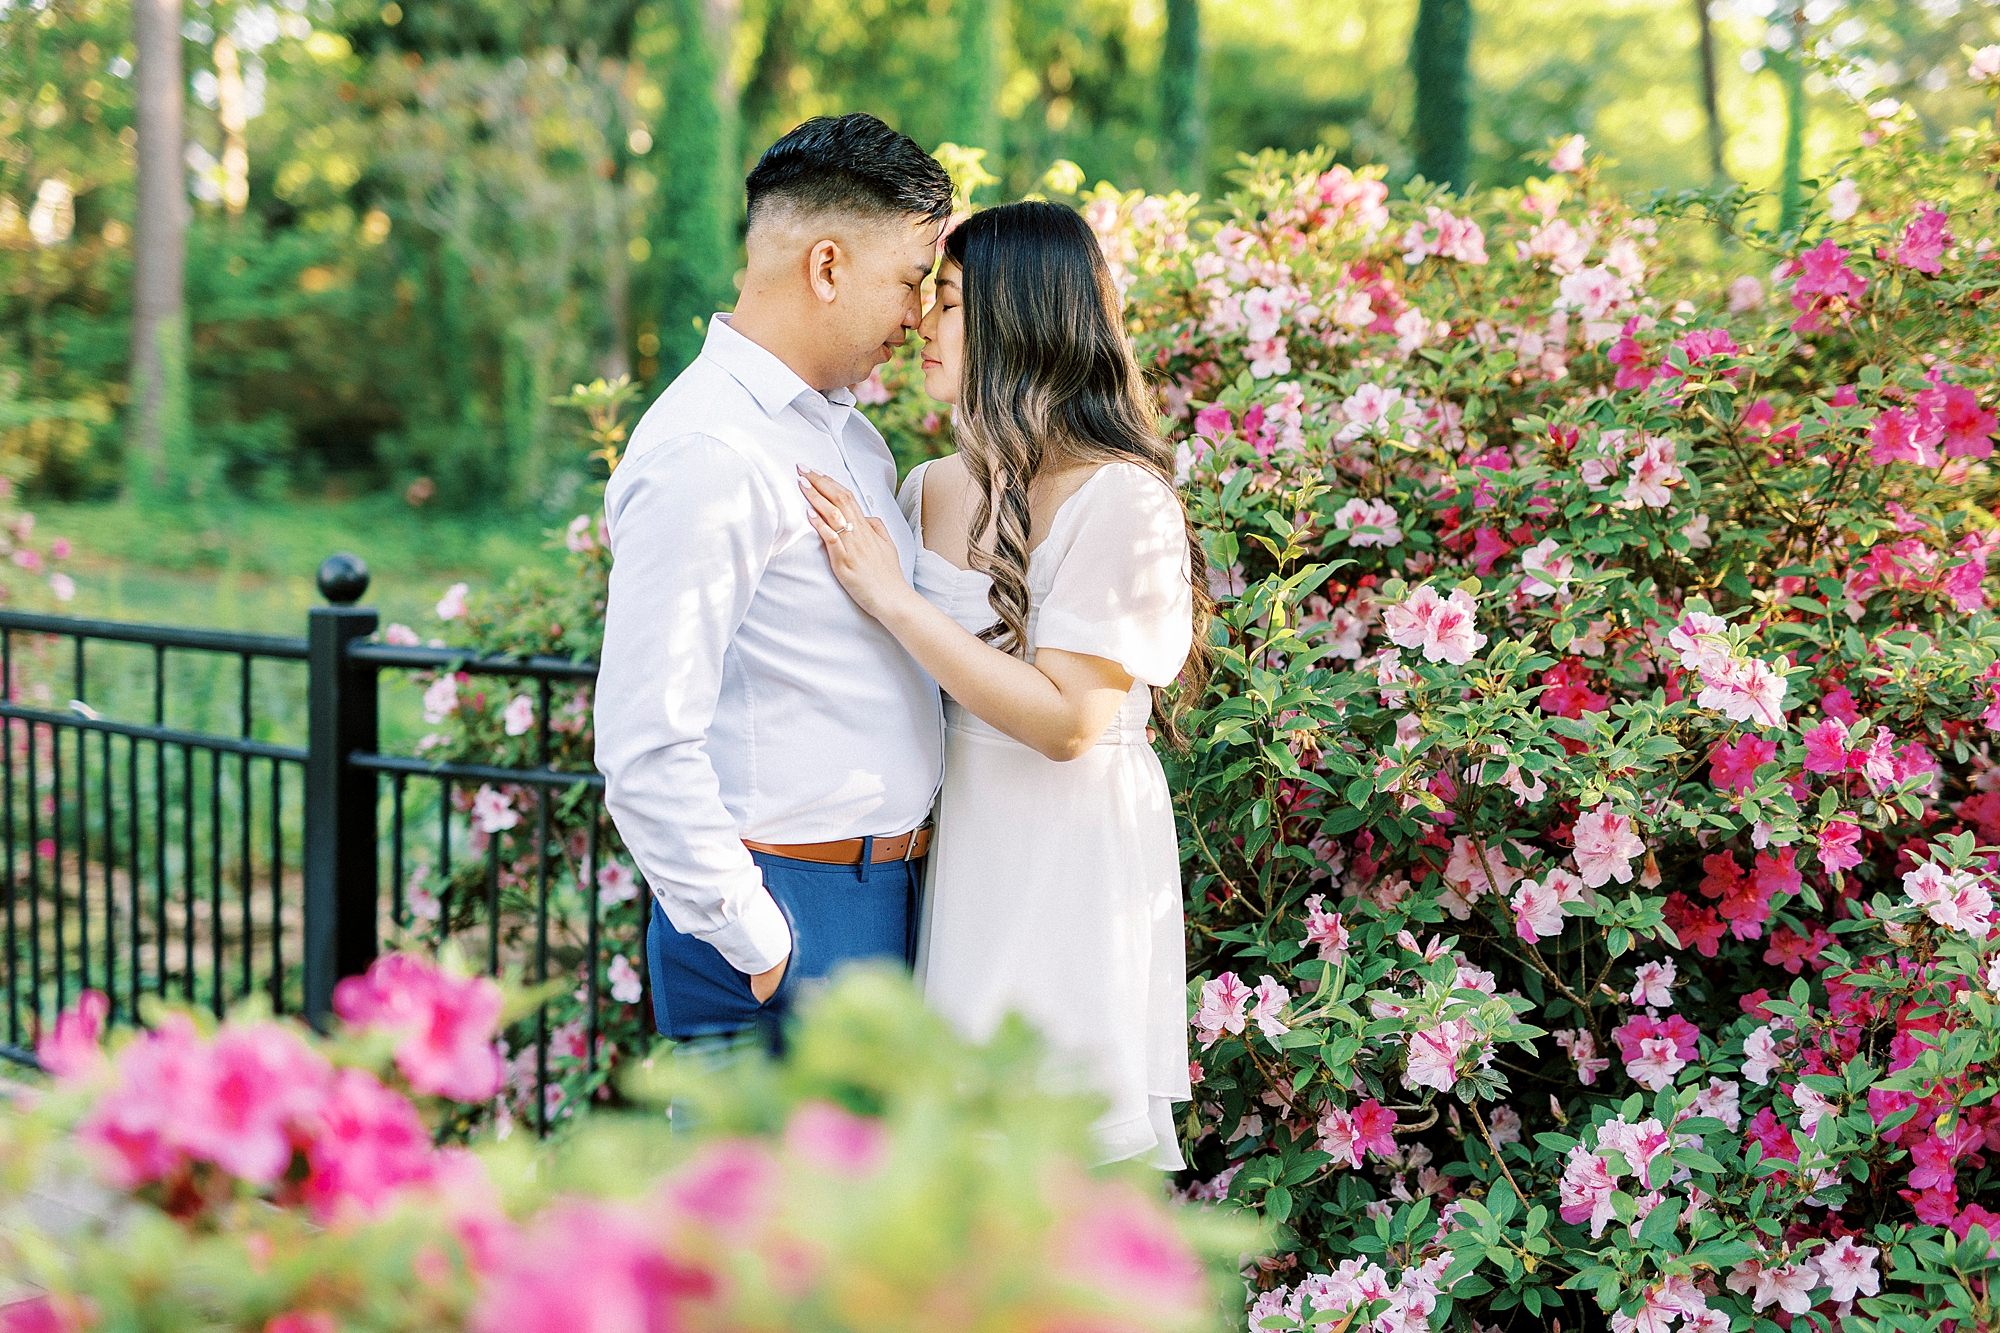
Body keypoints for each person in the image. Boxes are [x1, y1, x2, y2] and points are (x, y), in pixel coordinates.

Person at [797, 200, 1211, 1168]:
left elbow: (1070, 721)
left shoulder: (1121, 497)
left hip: (1067, 853)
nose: (917, 328)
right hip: (959, 846)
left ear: (1011, 317)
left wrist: (897, 601)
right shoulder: (930, 486)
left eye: (943, 303)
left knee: (1064, 1151)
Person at [593, 114, 953, 1049]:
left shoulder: (848, 436)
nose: (917, 318)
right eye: (910, 283)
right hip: (783, 919)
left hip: (889, 905)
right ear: (826, 267)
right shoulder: (708, 450)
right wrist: (759, 941)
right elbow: (644, 741)